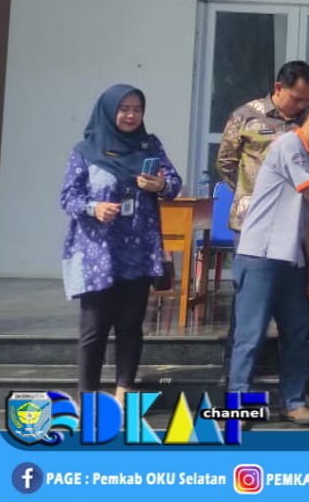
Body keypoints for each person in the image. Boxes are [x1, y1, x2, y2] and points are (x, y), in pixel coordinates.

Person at [60, 85, 183, 405]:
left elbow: (173, 185)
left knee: (130, 325)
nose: (131, 115)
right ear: (108, 111)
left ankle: (123, 392)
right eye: (124, 109)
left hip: (138, 251)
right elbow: (68, 197)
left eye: (137, 110)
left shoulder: (149, 146)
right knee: (94, 329)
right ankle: (87, 397)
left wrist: (160, 184)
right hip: (98, 253)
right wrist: (94, 208)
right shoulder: (85, 151)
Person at [227, 97, 309, 426]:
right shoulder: (289, 144)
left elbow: (308, 216)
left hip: (292, 258)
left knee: (297, 334)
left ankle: (294, 402)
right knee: (250, 335)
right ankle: (238, 405)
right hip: (260, 254)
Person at [215, 61, 309, 382]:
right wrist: (253, 195)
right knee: (247, 303)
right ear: (278, 89)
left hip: (291, 225)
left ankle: (294, 383)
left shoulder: (307, 123)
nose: (301, 105)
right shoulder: (247, 115)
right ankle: (234, 372)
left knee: (292, 307)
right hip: (251, 224)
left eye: (307, 100)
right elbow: (226, 162)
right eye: (296, 98)